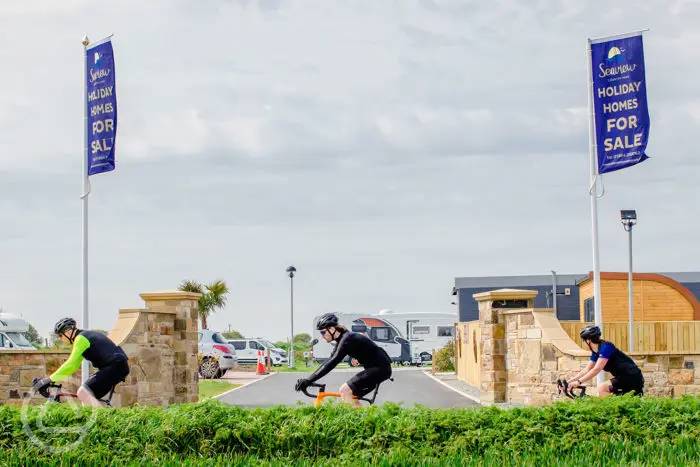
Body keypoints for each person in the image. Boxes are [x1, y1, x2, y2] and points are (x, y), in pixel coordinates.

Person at [294, 313, 392, 407]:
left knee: (344, 391)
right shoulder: (343, 339)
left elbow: (332, 362)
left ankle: (364, 422)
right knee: (349, 399)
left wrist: (309, 380)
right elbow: (329, 360)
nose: (322, 336)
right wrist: (309, 379)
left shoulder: (347, 339)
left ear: (332, 329)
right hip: (377, 368)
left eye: (323, 332)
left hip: (380, 369)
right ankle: (364, 419)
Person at [32, 317, 130, 407]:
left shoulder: (80, 338)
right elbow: (74, 364)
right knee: (87, 399)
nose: (59, 338)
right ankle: (98, 421)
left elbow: (71, 364)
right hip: (117, 366)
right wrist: (52, 379)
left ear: (68, 332)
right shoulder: (84, 336)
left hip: (115, 366)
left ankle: (102, 423)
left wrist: (49, 379)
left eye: (60, 335)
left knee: (83, 393)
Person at [568, 324, 644, 396]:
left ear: (588, 340)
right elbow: (587, 369)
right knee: (605, 391)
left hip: (632, 376)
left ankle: (611, 409)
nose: (584, 343)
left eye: (583, 341)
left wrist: (579, 382)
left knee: (602, 388)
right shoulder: (596, 352)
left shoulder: (606, 347)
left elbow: (597, 369)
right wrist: (570, 382)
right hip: (622, 377)